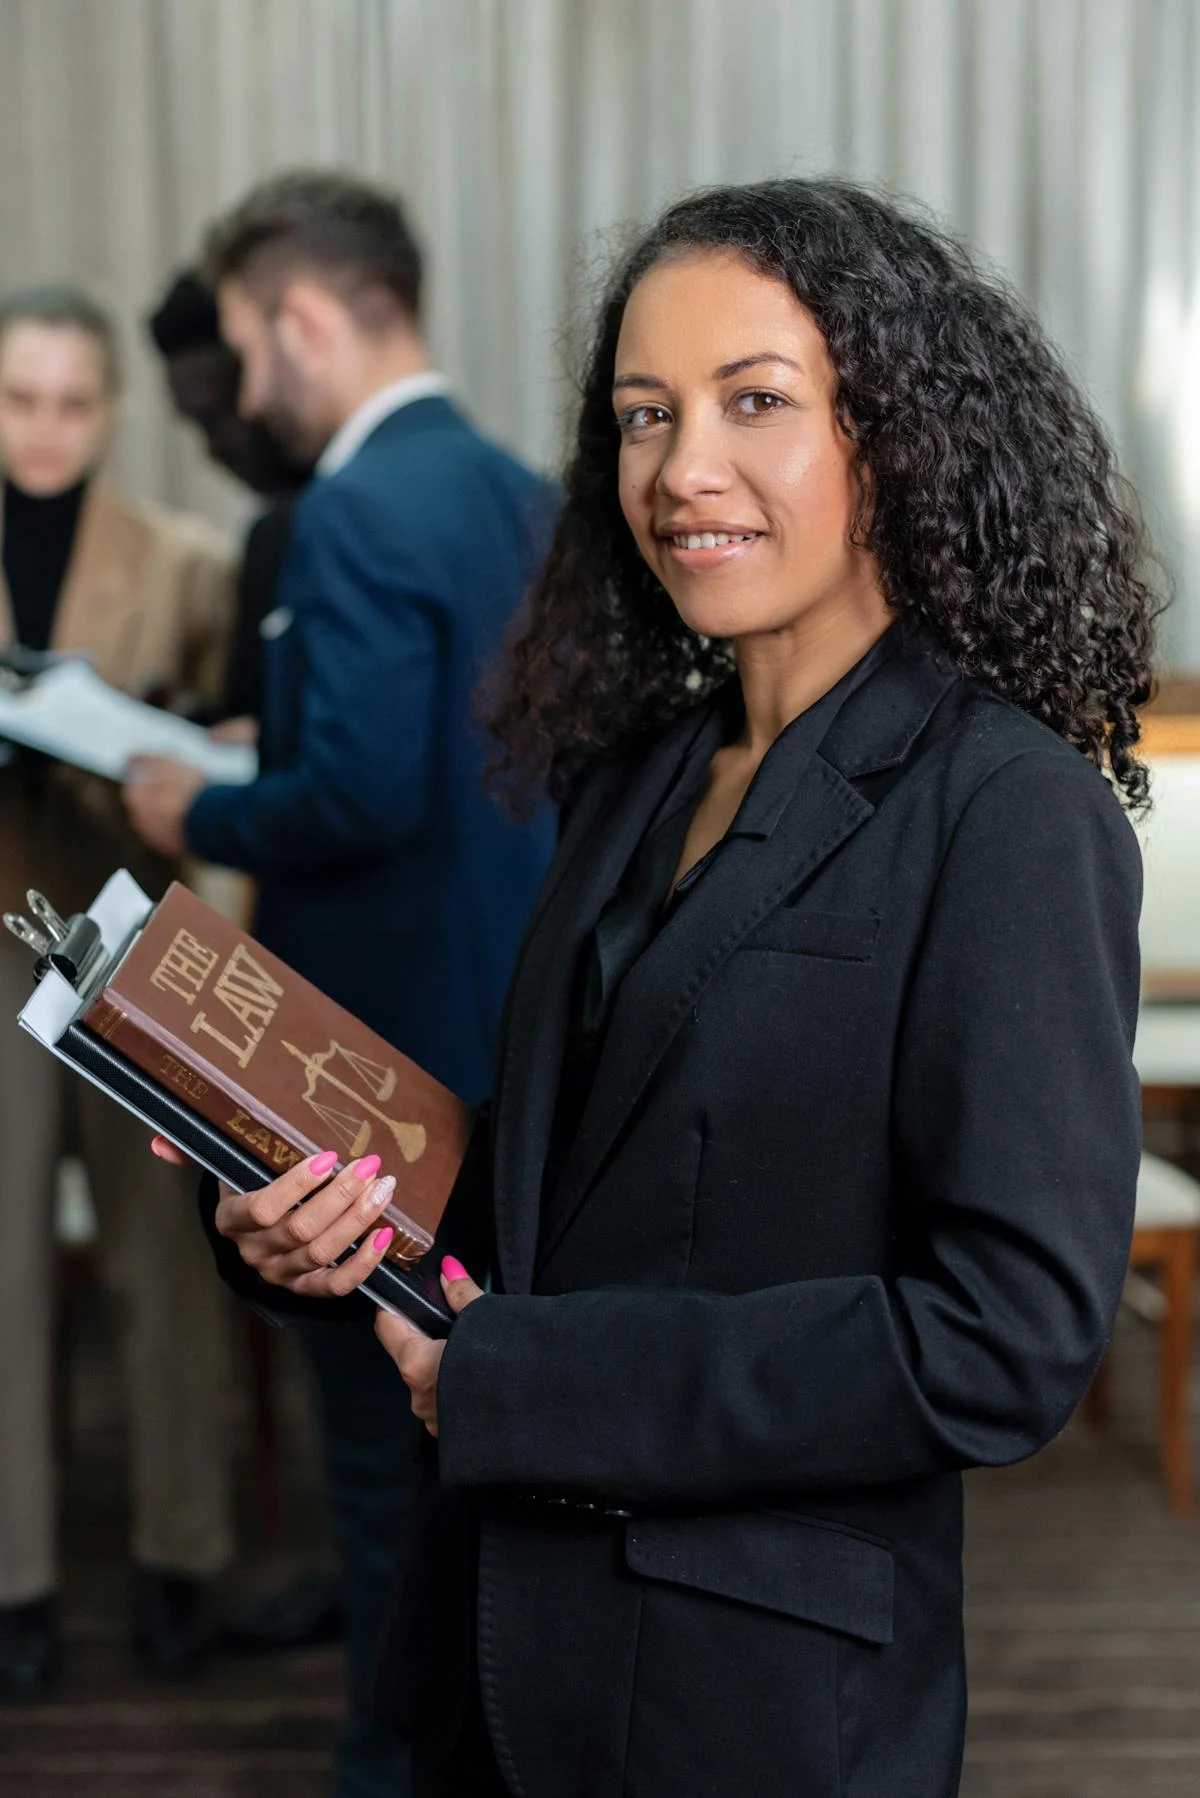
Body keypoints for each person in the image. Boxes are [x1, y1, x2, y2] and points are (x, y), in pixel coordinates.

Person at [174, 177, 1160, 1796]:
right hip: (492, 1653)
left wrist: (530, 1383)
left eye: (753, 402)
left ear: (893, 433)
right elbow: (584, 1174)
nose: (681, 469)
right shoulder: (633, 772)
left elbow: (1006, 1336)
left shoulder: (1003, 803)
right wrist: (329, 1214)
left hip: (748, 1699)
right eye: (643, 415)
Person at [126, 173, 556, 1798]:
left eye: (241, 345)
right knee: (480, 1448)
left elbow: (362, 799)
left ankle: (392, 1758)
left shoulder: (353, 510)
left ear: (304, 318)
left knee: (383, 1467)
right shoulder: (519, 488)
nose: (242, 388)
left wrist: (201, 804)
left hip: (362, 1074)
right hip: (506, 1040)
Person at [0, 284, 236, 1698]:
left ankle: (180, 1555)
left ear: (113, 405)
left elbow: (231, 747)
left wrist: (149, 731)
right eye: (21, 399)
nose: (48, 428)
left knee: (162, 1252)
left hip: (127, 934)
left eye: (75, 400)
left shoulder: (185, 559)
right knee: (0, 1261)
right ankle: (14, 1581)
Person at [146, 268, 311, 725]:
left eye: (216, 417)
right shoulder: (272, 532)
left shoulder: (304, 529)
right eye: (196, 426)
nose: (213, 448)